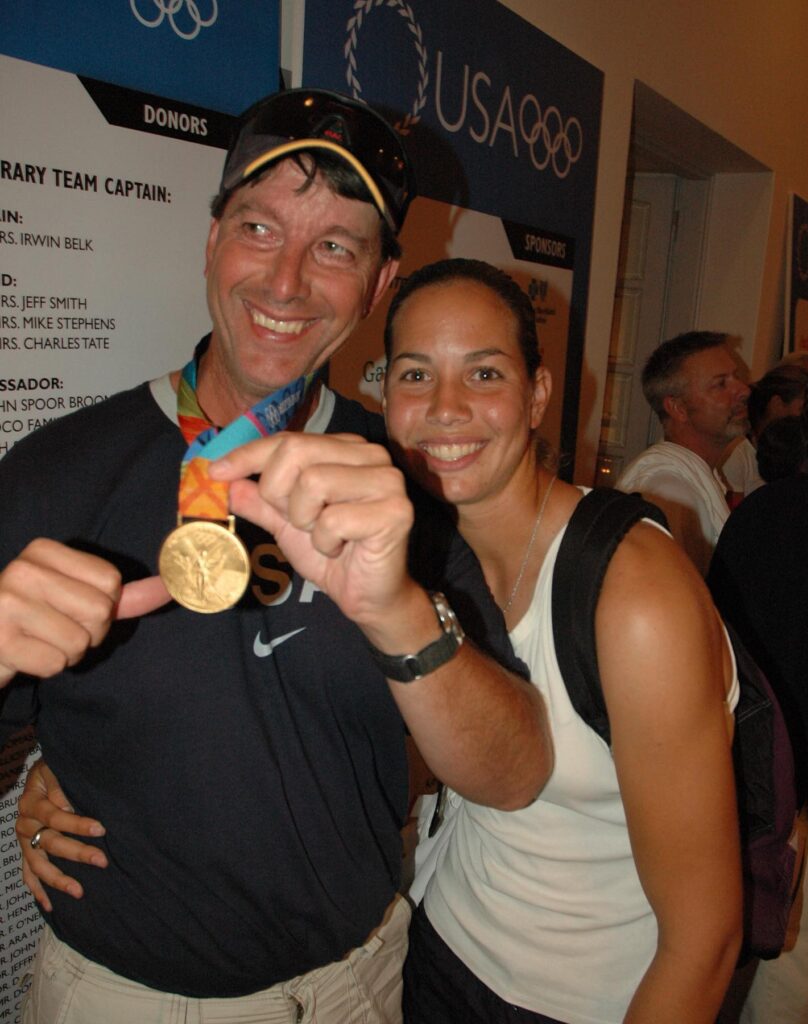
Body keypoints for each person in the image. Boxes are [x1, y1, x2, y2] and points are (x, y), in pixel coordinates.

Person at [0, 92, 551, 1023]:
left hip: (359, 987)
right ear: (212, 238)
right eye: (259, 227)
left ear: (380, 285)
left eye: (336, 245)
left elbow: (514, 772)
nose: (287, 281)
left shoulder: (406, 488)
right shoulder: (56, 472)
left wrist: (396, 610)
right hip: (118, 1000)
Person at [379, 261, 740, 1023]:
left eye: (482, 373)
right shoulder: (421, 547)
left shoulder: (633, 595)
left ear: (538, 393)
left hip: (576, 1001)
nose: (445, 409)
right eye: (416, 374)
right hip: (437, 946)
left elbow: (703, 940)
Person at [708, 375, 808, 1024]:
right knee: (789, 985)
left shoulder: (766, 512)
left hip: (759, 783)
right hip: (791, 797)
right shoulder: (775, 515)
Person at [616, 331, 750, 574]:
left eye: (736, 377)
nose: (743, 390)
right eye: (721, 384)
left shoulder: (687, 477)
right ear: (678, 408)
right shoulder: (667, 488)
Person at [721, 362, 808, 497]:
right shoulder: (737, 452)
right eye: (802, 409)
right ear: (777, 404)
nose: (807, 417)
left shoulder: (797, 452)